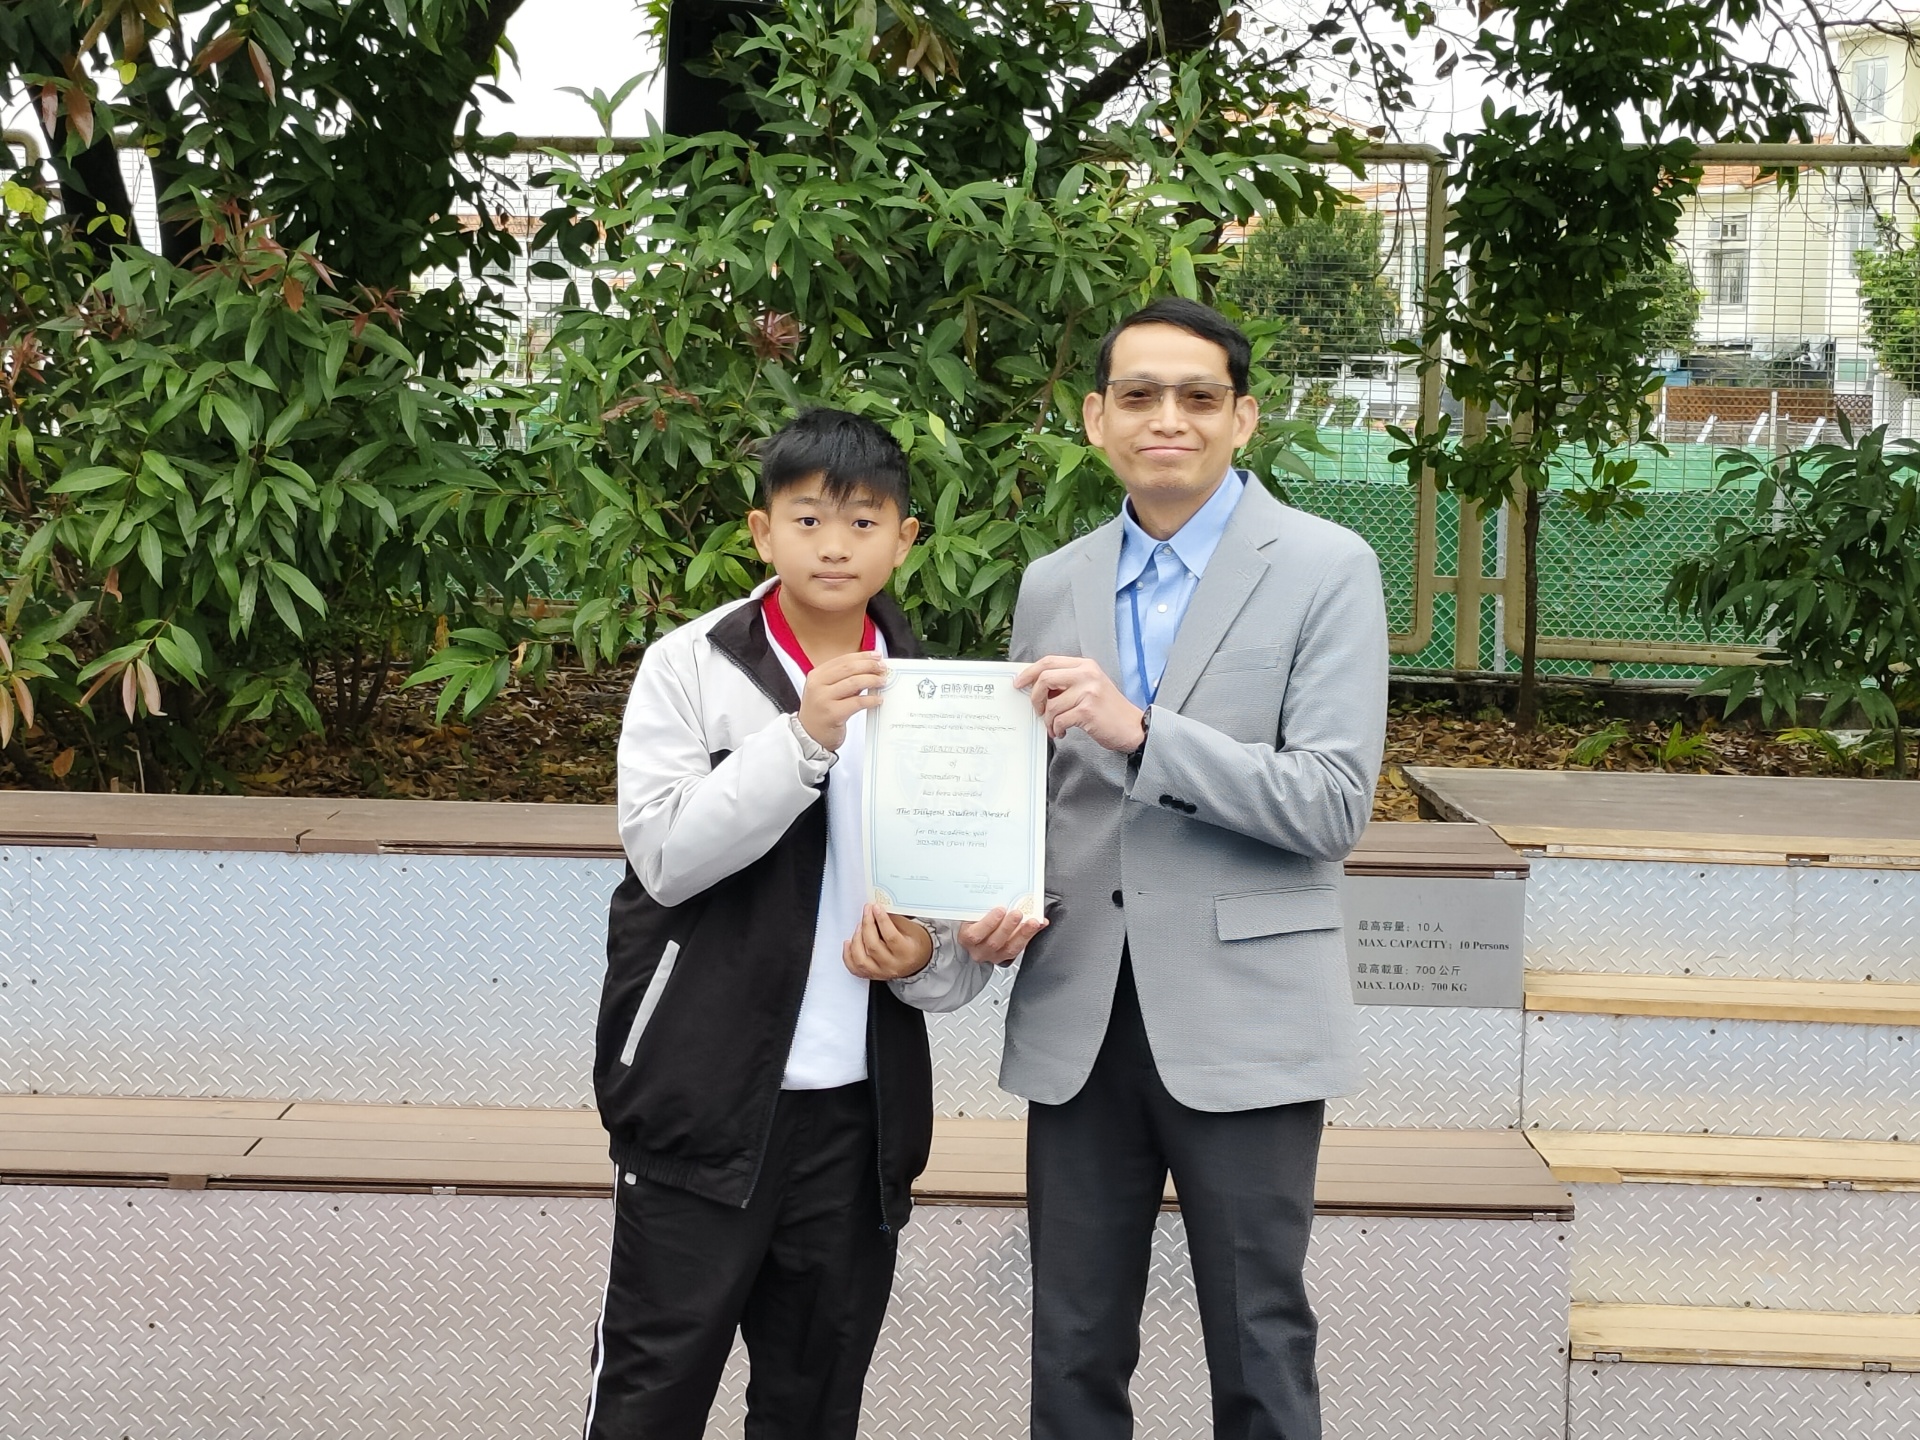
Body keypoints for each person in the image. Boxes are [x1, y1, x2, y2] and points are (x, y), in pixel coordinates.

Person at [581, 406, 1032, 1440]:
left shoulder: (944, 699)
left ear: (904, 540)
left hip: (860, 1118)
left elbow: (951, 939)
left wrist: (924, 958)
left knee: (815, 1401)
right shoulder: (691, 665)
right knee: (651, 1390)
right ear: (762, 532)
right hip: (700, 1099)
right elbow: (666, 856)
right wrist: (803, 738)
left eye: (865, 522)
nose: (836, 545)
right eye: (809, 519)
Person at [1008, 297, 1387, 1439]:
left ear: (1243, 418)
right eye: (1138, 395)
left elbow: (1331, 803)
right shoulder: (1052, 582)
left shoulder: (1326, 566)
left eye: (1197, 396)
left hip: (1245, 1012)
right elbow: (1027, 796)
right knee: (1071, 1348)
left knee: (1259, 1342)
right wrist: (971, 909)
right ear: (1096, 419)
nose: (1166, 418)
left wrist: (1142, 734)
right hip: (1079, 1008)